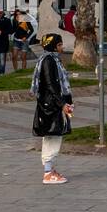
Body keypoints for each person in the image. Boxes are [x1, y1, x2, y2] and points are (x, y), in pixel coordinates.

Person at [32, 32, 73, 184]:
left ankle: (49, 169)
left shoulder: (50, 59)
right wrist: (62, 104)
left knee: (52, 135)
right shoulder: (49, 61)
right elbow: (52, 85)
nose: (62, 47)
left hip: (50, 103)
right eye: (60, 44)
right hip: (51, 105)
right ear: (54, 46)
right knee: (53, 137)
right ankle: (48, 173)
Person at [0, 7, 12, 76]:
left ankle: (2, 73)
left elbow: (10, 31)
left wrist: (1, 32)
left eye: (0, 13)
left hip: (3, 43)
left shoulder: (7, 20)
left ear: (2, 13)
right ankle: (0, 73)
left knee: (2, 59)